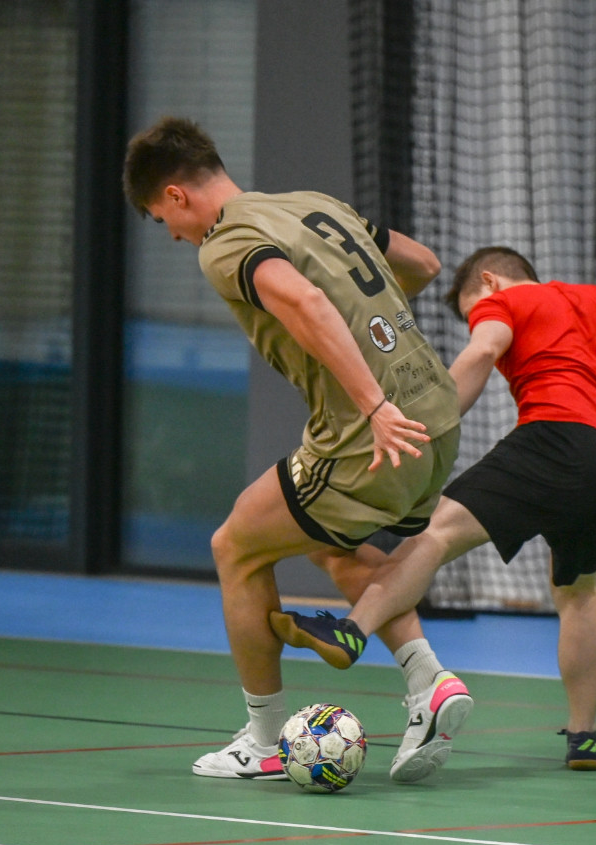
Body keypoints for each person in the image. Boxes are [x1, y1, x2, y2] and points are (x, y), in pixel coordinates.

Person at [122, 117, 469, 782]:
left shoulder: (224, 243)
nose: (172, 235)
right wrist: (379, 339)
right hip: (438, 415)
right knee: (328, 542)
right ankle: (429, 681)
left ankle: (264, 741)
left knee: (235, 546)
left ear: (175, 195)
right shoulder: (313, 205)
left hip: (375, 432)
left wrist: (373, 403)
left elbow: (306, 300)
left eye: (163, 220)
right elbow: (422, 264)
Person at [270, 247, 596, 776]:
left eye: (472, 311)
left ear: (490, 280)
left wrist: (427, 428)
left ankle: (352, 629)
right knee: (579, 591)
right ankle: (583, 737)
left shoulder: (504, 301)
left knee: (436, 535)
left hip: (553, 438)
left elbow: (484, 350)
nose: (477, 320)